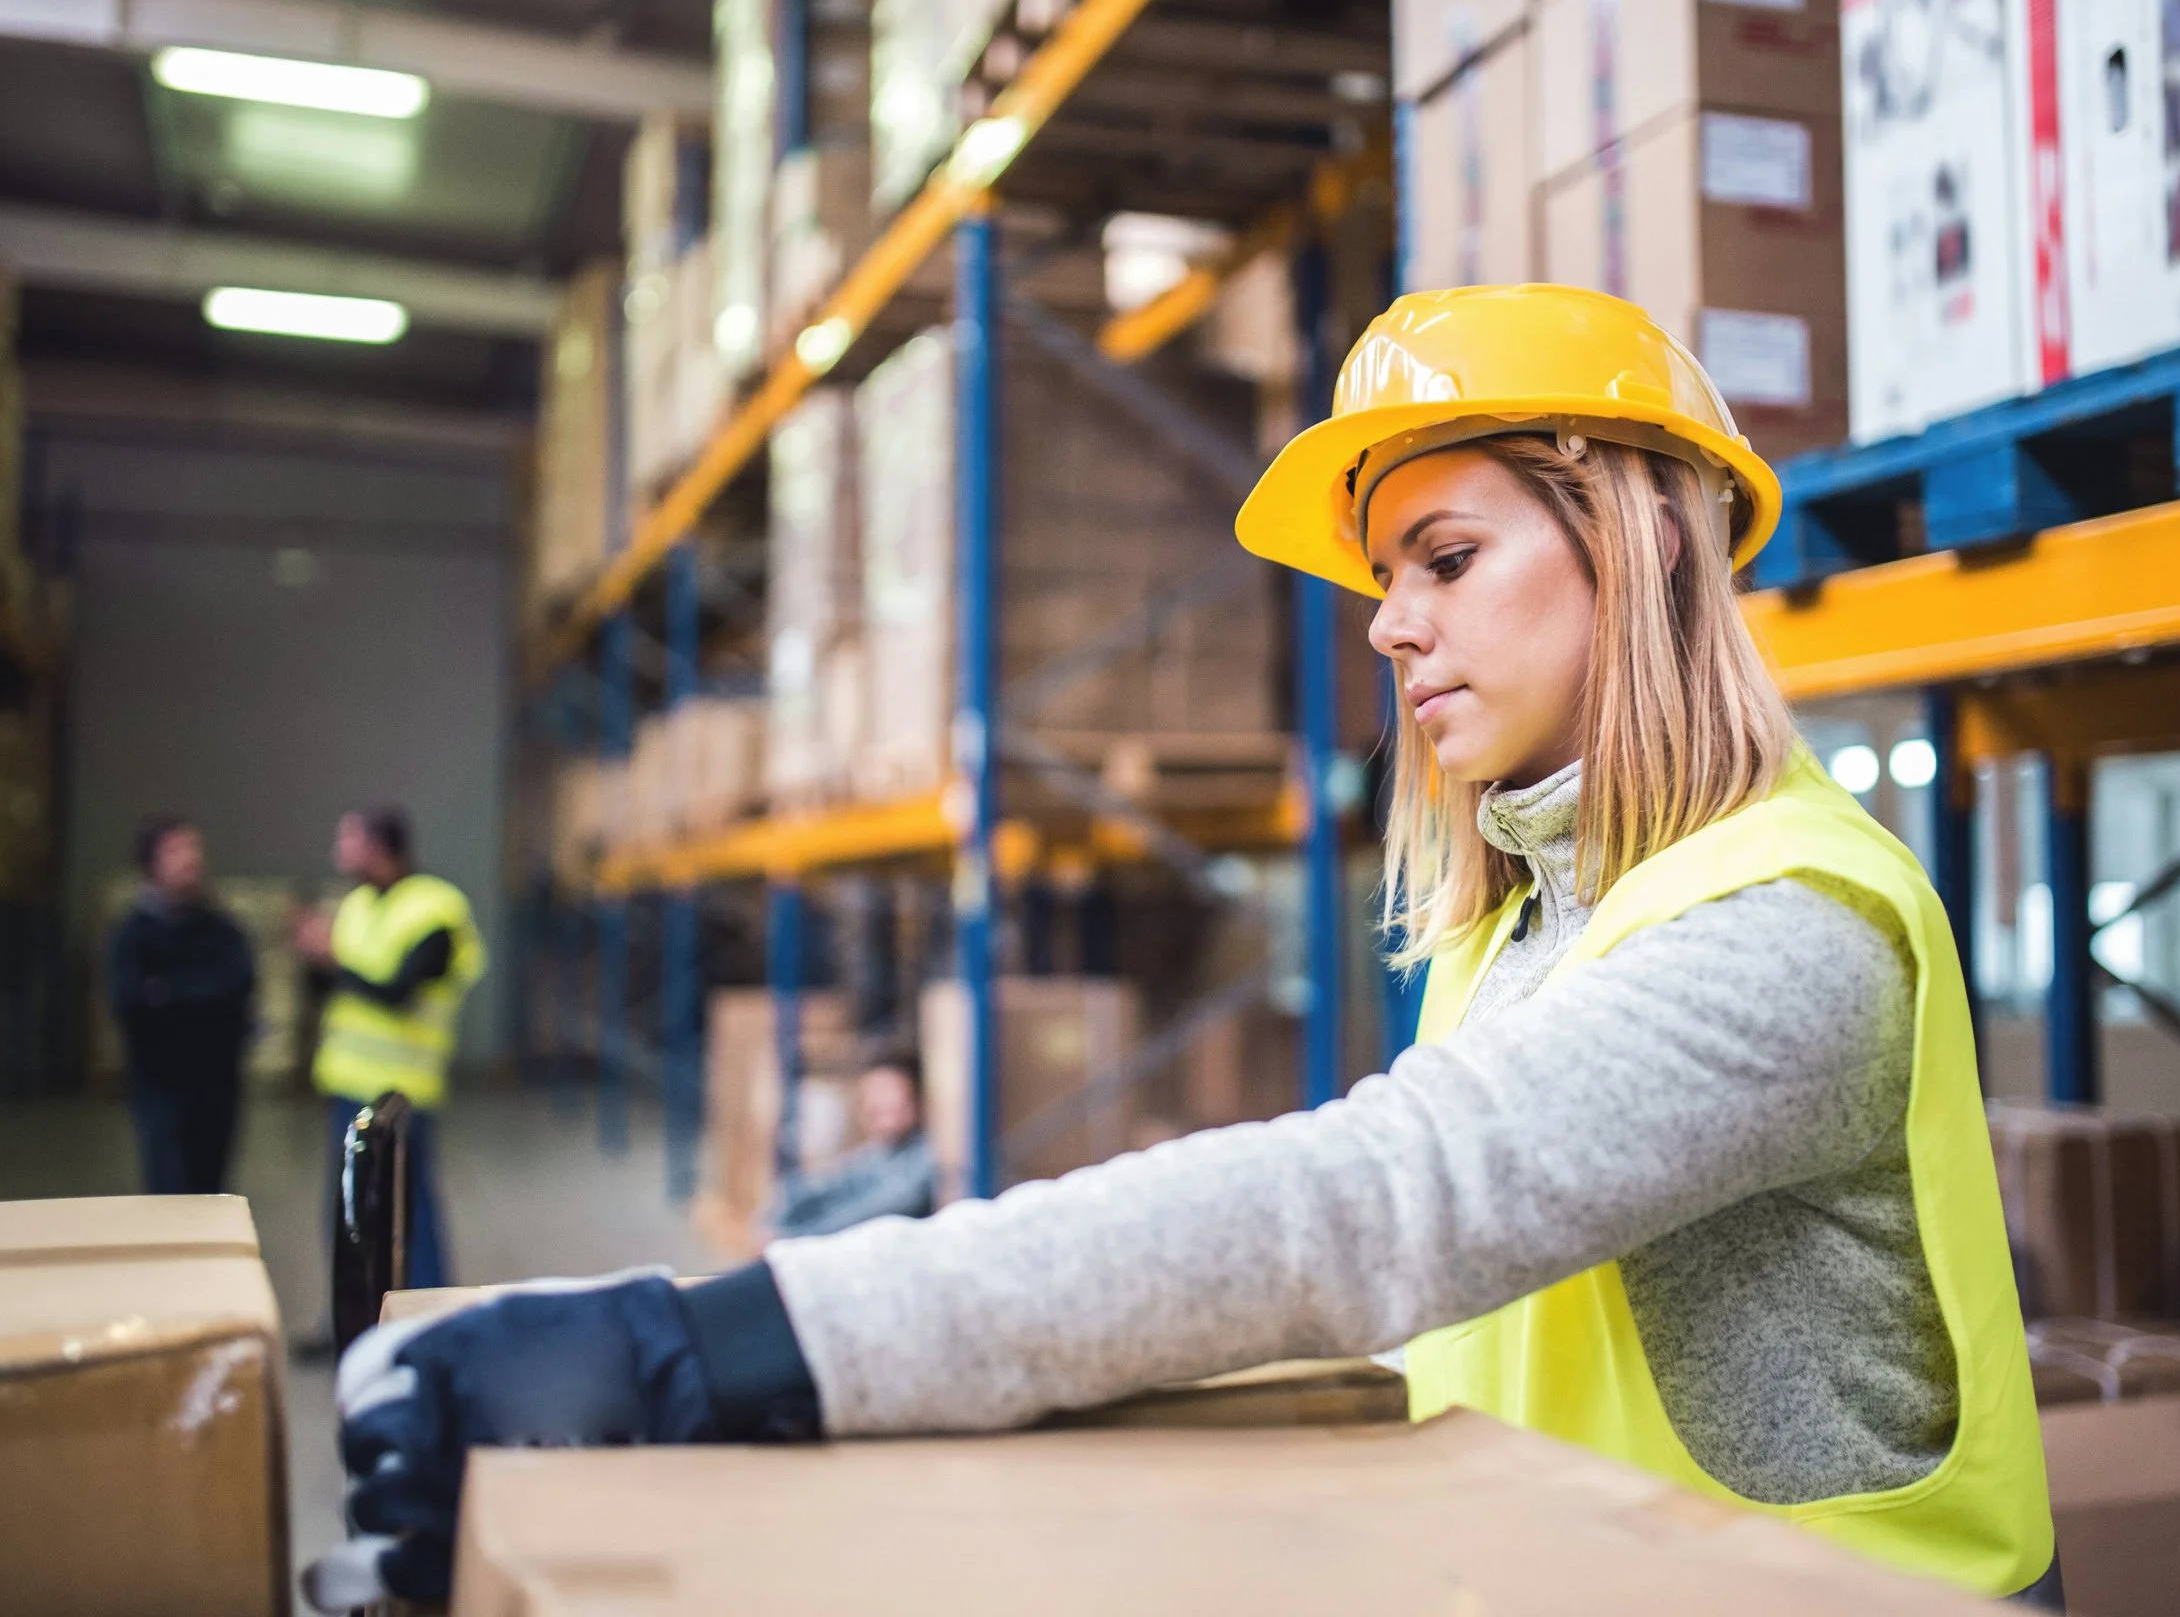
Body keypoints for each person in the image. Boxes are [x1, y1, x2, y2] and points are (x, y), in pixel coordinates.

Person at [309, 288, 2058, 1611]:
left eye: (1447, 555)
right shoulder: (1525, 924)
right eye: (1386, 573)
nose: (1391, 621)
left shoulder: (1787, 931)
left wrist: (728, 1343)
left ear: (1642, 539)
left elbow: (1378, 1204)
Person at [298, 806, 483, 1292]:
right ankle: (352, 1312)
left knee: (409, 1209)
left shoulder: (436, 910)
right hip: (345, 1083)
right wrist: (315, 960)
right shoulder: (356, 904)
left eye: (349, 839)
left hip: (402, 1092)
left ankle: (425, 1311)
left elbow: (400, 992)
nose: (339, 850)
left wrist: (333, 962)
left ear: (378, 847)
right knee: (348, 1210)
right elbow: (335, 986)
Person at [107, 816, 255, 1195]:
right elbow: (130, 1003)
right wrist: (198, 996)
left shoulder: (223, 930)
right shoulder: (133, 934)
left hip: (217, 1083)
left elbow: (238, 988)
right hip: (160, 1084)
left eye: (194, 849)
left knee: (211, 1190)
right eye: (176, 851)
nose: (190, 860)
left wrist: (169, 992)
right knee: (168, 1189)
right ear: (150, 864)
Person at [769, 1060, 937, 1239]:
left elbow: (866, 1213)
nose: (888, 1121)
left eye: (896, 1108)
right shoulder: (876, 1154)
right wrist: (776, 1221)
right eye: (876, 1111)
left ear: (918, 1104)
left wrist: (792, 1236)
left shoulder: (922, 1161)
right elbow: (821, 1187)